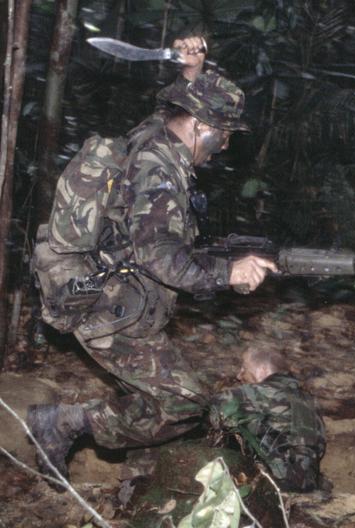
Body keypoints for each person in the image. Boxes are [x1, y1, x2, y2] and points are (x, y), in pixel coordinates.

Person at [27, 36, 277, 482]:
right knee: (185, 401)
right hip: (107, 309)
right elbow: (161, 258)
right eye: (221, 135)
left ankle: (139, 470)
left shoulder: (154, 136)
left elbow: (172, 110)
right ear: (200, 125)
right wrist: (229, 271)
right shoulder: (159, 171)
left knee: (151, 390)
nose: (222, 146)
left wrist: (192, 73)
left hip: (115, 297)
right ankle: (64, 423)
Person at [209, 345, 326, 492]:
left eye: (244, 369)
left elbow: (212, 406)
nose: (239, 376)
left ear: (262, 370)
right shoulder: (310, 402)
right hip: (310, 486)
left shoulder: (260, 393)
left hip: (274, 487)